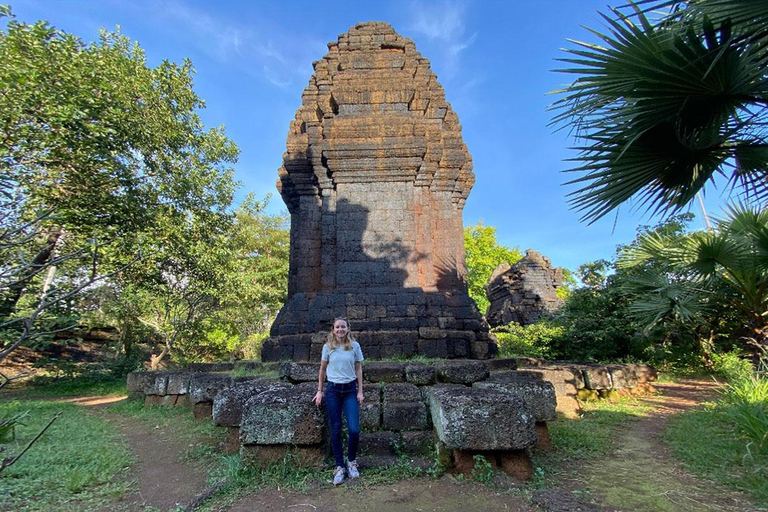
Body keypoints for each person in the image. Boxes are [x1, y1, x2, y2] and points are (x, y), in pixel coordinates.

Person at [313, 317, 364, 485]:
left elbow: (358, 368)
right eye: (337, 327)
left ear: (348, 328)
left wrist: (360, 391)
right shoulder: (328, 347)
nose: (340, 329)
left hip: (350, 390)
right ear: (333, 330)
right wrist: (320, 391)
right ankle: (340, 466)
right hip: (333, 390)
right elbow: (322, 369)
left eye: (343, 326)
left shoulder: (354, 346)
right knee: (335, 430)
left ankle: (351, 461)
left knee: (354, 429)